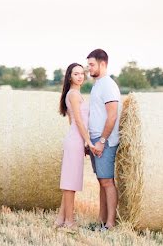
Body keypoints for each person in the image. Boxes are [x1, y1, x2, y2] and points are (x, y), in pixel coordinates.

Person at [86, 48, 121, 230]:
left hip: (105, 140)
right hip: (95, 139)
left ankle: (110, 224)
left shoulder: (108, 85)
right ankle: (101, 220)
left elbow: (112, 115)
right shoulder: (97, 85)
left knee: (107, 181)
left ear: (103, 64)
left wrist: (101, 140)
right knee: (101, 180)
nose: (88, 68)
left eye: (91, 64)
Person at [55, 63, 90, 231]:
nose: (80, 76)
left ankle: (60, 219)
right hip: (75, 140)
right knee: (70, 184)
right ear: (70, 77)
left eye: (82, 73)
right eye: (76, 74)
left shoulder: (74, 94)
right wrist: (88, 141)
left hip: (74, 140)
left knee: (71, 182)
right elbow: (78, 121)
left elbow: (71, 122)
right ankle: (69, 221)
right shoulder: (74, 94)